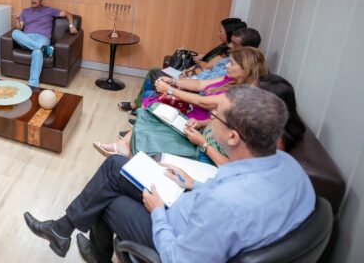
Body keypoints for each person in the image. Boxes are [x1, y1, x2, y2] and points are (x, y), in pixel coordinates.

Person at [24, 86, 316, 262]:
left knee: (106, 197)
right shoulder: (289, 166)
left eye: (216, 115)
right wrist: (194, 185)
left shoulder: (226, 203)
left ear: (233, 137)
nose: (210, 118)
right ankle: (62, 230)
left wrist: (158, 213)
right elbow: (232, 191)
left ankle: (85, 248)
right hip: (190, 208)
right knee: (115, 166)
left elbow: (177, 258)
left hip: (173, 233)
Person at [95, 47, 268, 157]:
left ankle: (125, 145)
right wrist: (174, 81)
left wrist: (170, 90)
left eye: (232, 64)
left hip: (196, 120)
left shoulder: (240, 94)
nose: (227, 66)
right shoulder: (229, 79)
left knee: (153, 109)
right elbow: (200, 84)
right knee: (152, 108)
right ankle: (124, 145)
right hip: (195, 116)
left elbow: (204, 102)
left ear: (245, 69)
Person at [117, 18, 247, 112]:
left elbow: (205, 71)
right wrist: (181, 76)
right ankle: (139, 107)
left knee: (153, 76)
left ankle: (137, 106)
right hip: (193, 80)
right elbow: (203, 79)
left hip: (193, 87)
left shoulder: (228, 64)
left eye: (221, 31)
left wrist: (192, 69)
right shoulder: (225, 55)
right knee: (155, 74)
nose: (230, 45)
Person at [11, 0, 76, 87]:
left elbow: (68, 14)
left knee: (37, 52)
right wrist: (17, 18)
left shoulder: (49, 10)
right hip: (27, 38)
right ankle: (44, 49)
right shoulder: (25, 11)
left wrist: (71, 25)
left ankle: (33, 84)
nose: (33, 1)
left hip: (42, 38)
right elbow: (19, 28)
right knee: (15, 33)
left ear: (42, 0)